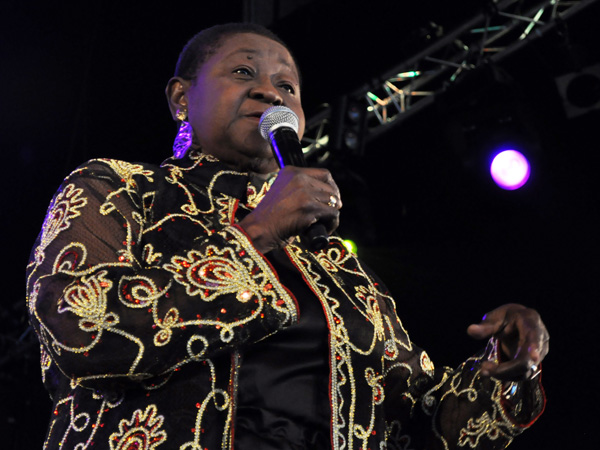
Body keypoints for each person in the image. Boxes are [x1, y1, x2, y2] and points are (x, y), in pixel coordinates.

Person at [26, 23, 548, 450]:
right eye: (243, 71)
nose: (268, 90)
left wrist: (502, 368)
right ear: (181, 98)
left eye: (288, 86)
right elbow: (80, 324)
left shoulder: (335, 264)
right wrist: (258, 234)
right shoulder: (119, 187)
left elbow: (423, 423)